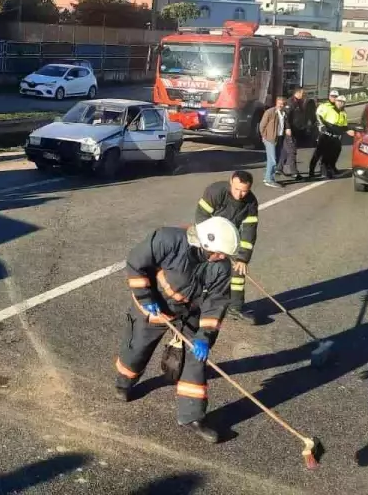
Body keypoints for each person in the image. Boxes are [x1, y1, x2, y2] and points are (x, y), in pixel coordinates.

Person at [114, 216, 240, 444]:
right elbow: (135, 262)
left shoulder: (221, 267)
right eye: (220, 252)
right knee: (137, 349)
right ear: (207, 243)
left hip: (189, 311)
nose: (223, 258)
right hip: (153, 306)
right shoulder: (167, 239)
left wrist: (205, 336)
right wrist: (145, 296)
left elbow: (217, 301)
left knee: (196, 359)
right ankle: (125, 381)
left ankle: (192, 416)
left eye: (225, 254)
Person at [194, 171, 259, 322]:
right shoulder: (215, 191)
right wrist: (212, 245)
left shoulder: (251, 203)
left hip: (231, 237)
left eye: (244, 191)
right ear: (231, 182)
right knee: (204, 268)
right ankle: (196, 304)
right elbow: (201, 217)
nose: (239, 195)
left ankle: (235, 307)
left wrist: (243, 258)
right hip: (207, 235)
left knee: (238, 271)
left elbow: (249, 232)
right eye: (236, 189)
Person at [311, 92, 352, 179]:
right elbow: (319, 116)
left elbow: (344, 126)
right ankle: (312, 171)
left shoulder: (344, 113)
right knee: (318, 153)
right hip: (325, 135)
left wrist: (348, 131)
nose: (340, 103)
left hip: (336, 137)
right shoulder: (328, 108)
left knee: (333, 154)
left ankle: (329, 169)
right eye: (339, 101)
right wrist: (321, 126)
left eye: (342, 102)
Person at [280, 87, 309, 180]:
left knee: (285, 150)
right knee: (292, 151)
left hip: (297, 130)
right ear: (298, 93)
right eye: (303, 93)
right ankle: (294, 172)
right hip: (290, 130)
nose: (304, 94)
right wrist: (288, 128)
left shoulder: (300, 102)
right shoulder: (290, 102)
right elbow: (286, 117)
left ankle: (278, 168)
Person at [259, 96, 286, 188]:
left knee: (275, 159)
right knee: (273, 159)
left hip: (279, 137)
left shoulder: (283, 113)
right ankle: (269, 179)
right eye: (280, 104)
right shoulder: (270, 112)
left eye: (283, 104)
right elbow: (262, 125)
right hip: (270, 138)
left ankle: (268, 177)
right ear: (276, 103)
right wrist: (264, 136)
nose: (281, 106)